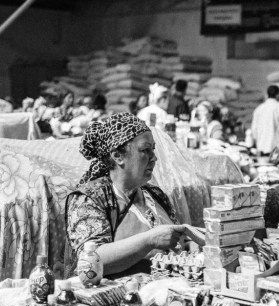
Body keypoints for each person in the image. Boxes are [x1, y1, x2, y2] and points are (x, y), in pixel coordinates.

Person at [65, 112, 189, 277]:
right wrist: (150, 240)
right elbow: (90, 260)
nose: (154, 158)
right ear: (117, 156)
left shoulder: (156, 195)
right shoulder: (90, 199)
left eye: (153, 149)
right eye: (145, 150)